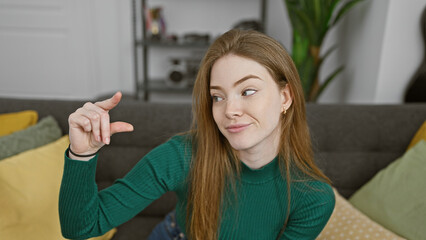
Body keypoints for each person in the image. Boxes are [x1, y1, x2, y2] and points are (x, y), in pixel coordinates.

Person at [59, 29, 335, 240]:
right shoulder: (182, 155)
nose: (230, 110)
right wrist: (82, 154)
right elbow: (81, 227)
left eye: (247, 91)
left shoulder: (314, 197)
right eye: (218, 96)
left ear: (285, 97)